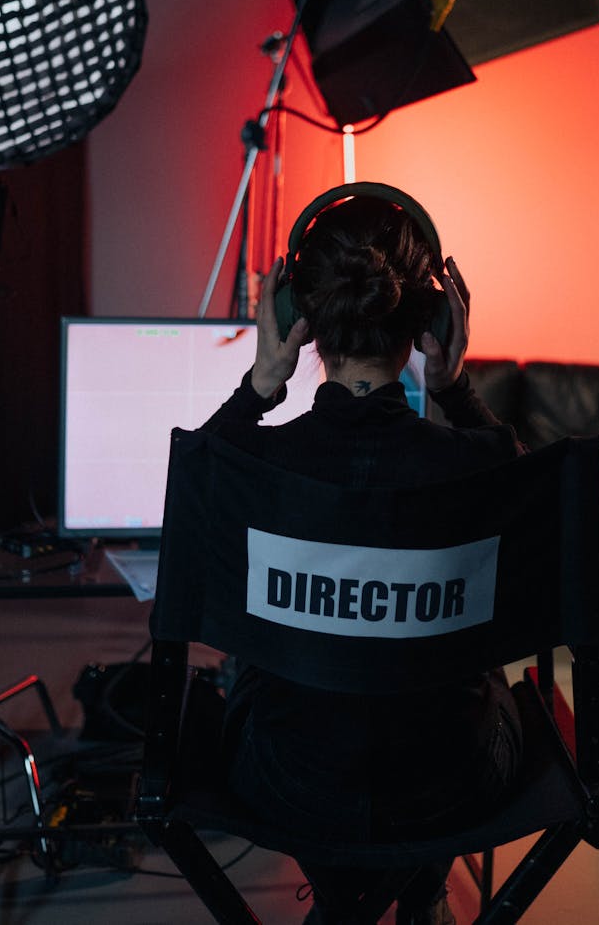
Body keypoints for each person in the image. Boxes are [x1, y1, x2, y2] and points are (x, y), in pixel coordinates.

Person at [203, 190, 524, 925]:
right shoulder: (485, 466)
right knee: (477, 665)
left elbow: (197, 479)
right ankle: (418, 892)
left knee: (269, 675)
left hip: (284, 784)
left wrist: (261, 382)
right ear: (434, 319)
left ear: (294, 316)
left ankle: (345, 902)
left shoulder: (245, 468)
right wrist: (455, 391)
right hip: (455, 786)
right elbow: (524, 491)